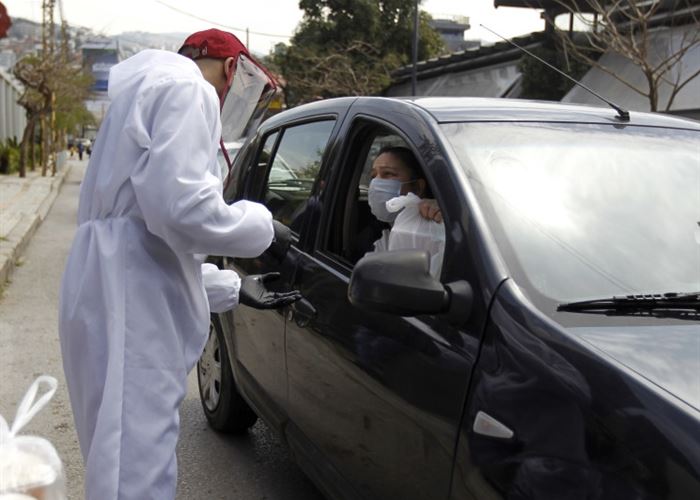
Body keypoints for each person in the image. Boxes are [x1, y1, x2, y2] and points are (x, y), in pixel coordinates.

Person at [58, 29, 300, 499]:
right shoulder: (189, 88)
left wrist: (226, 285)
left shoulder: (147, 89)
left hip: (109, 287)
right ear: (233, 69)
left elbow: (143, 235)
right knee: (136, 472)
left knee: (116, 454)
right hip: (130, 305)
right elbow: (181, 209)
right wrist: (262, 226)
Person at [366, 146, 445, 276]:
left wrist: (444, 216)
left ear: (418, 187)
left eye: (388, 173)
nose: (376, 182)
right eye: (373, 176)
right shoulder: (375, 233)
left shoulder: (434, 228)